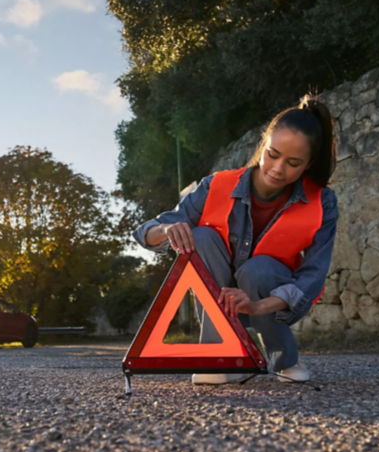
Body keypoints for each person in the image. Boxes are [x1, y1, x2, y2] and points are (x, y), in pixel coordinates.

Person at [134, 95, 338, 385]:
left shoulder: (323, 202)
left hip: (270, 300)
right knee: (201, 237)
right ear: (263, 143)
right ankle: (220, 356)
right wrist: (167, 231)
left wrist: (257, 307)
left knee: (258, 269)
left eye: (293, 163)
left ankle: (283, 360)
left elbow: (313, 276)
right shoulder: (216, 185)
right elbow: (146, 231)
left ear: (309, 164)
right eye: (273, 154)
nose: (277, 169)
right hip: (217, 298)